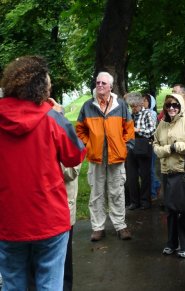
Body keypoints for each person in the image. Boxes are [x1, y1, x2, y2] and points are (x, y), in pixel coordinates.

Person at [0, 55, 86, 290]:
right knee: (49, 284)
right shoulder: (51, 118)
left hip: (8, 220)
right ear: (40, 87)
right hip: (48, 219)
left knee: (13, 283)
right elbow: (76, 154)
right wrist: (59, 115)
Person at [76, 71, 134, 241]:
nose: (100, 85)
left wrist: (124, 147)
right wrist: (89, 145)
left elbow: (129, 129)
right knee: (97, 194)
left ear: (110, 86)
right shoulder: (88, 106)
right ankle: (98, 227)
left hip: (116, 157)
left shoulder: (121, 105)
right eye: (98, 82)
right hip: (96, 158)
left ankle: (120, 225)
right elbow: (80, 131)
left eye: (103, 83)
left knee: (117, 192)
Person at [153, 93, 185, 258]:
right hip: (167, 172)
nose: (172, 108)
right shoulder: (162, 124)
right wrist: (168, 149)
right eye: (168, 105)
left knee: (184, 210)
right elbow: (156, 146)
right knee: (170, 209)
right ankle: (171, 243)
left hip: (184, 173)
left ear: (180, 106)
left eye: (175, 105)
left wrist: (176, 146)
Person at [125, 92, 156, 210]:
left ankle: (145, 201)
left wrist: (137, 130)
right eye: (131, 106)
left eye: (135, 106)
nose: (133, 109)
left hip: (143, 145)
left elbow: (152, 130)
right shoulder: (129, 115)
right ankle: (134, 202)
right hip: (131, 147)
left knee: (145, 175)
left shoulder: (147, 113)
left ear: (140, 103)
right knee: (131, 176)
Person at [62, 164, 82, 291]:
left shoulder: (69, 143)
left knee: (63, 265)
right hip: (27, 212)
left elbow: (72, 171)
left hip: (61, 213)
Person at [143, 93, 161, 201]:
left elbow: (150, 129)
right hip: (143, 145)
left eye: (145, 101)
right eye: (143, 100)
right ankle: (156, 184)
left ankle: (153, 192)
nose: (143, 102)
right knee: (146, 169)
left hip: (151, 144)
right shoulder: (141, 113)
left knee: (151, 168)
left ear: (150, 103)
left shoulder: (152, 113)